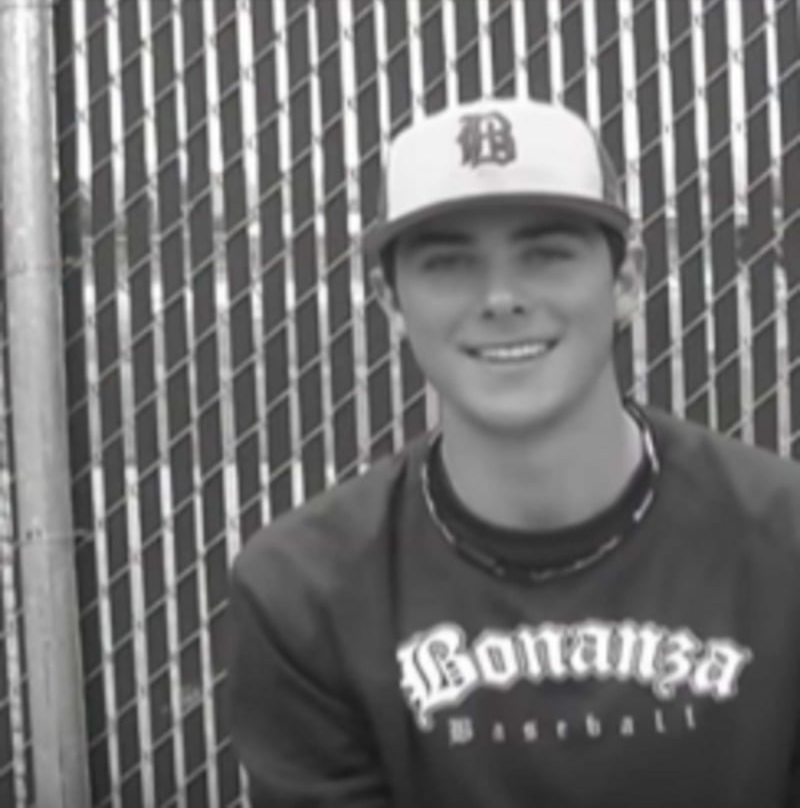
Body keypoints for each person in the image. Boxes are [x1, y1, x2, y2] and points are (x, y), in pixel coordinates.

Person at [226, 97, 800, 808]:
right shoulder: (304, 593)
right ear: (391, 301)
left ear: (625, 279)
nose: (500, 297)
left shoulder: (784, 542)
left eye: (546, 253)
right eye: (449, 263)